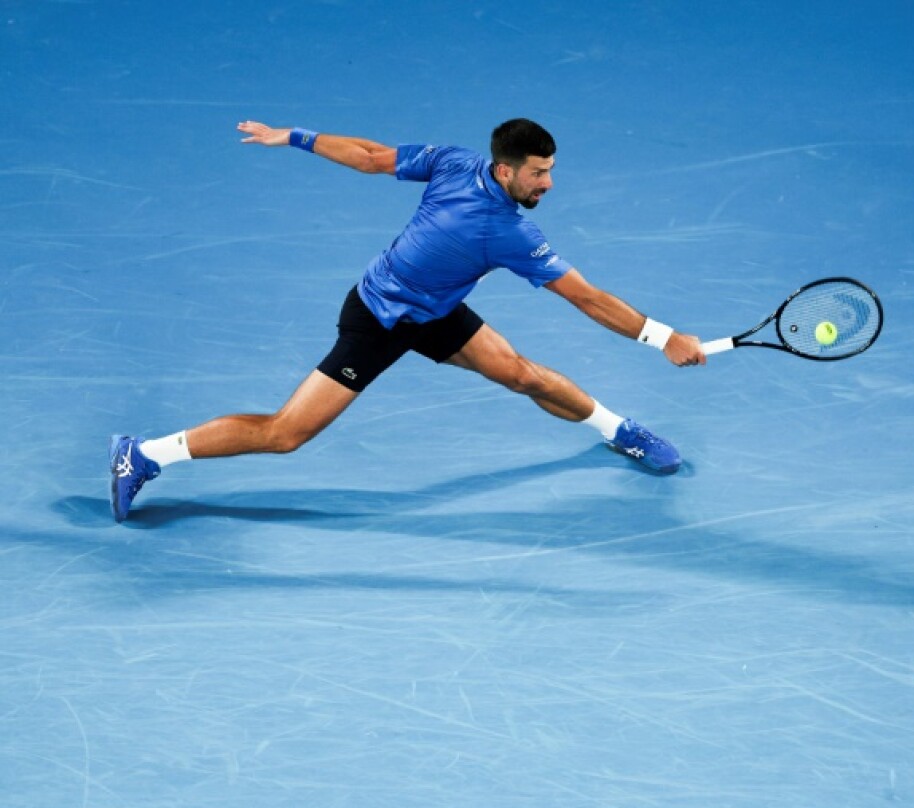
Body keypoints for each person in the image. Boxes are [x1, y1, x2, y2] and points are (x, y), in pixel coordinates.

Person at [108, 118, 706, 523]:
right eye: (537, 173)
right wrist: (663, 337)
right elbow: (588, 298)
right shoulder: (503, 225)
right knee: (286, 433)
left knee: (523, 375)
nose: (547, 183)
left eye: (550, 170)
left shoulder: (463, 172)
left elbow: (371, 159)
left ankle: (617, 429)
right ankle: (145, 453)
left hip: (438, 314)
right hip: (377, 318)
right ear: (504, 170)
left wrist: (292, 136)